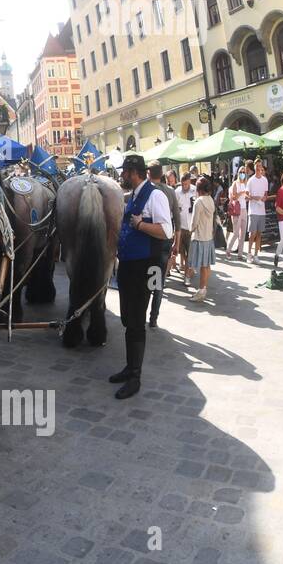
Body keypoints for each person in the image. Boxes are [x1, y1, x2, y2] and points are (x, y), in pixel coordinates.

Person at [112, 155, 174, 400]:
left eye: (124, 172)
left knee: (137, 319)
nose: (122, 176)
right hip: (129, 265)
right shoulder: (136, 194)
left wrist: (139, 226)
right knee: (127, 317)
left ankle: (135, 376)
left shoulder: (155, 194)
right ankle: (129, 367)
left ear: (133, 172)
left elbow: (166, 230)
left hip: (146, 266)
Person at [148, 163, 177, 326]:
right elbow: (177, 222)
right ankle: (153, 318)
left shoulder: (148, 191)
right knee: (158, 283)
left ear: (148, 174)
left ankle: (145, 315)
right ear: (162, 174)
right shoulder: (171, 191)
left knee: (148, 280)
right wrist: (176, 244)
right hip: (166, 242)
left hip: (151, 242)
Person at [189, 176, 217, 302]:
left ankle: (202, 290)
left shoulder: (198, 202)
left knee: (202, 266)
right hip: (208, 237)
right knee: (206, 266)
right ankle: (203, 288)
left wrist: (190, 230)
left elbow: (194, 223)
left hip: (200, 237)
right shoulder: (211, 200)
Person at [245, 158, 270, 264]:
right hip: (253, 211)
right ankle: (249, 254)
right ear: (254, 167)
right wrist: (253, 197)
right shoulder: (251, 180)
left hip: (261, 211)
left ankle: (256, 255)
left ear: (262, 167)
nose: (258, 167)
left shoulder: (265, 180)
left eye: (260, 166)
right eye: (257, 166)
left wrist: (264, 198)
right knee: (252, 234)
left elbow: (266, 195)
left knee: (259, 234)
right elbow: (246, 195)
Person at [174, 173, 196, 281]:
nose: (184, 187)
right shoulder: (177, 191)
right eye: (183, 184)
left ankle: (187, 276)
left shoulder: (195, 190)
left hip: (191, 227)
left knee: (190, 253)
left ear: (190, 182)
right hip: (180, 226)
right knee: (182, 251)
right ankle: (186, 269)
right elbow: (175, 208)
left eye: (186, 184)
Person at [227, 167, 250, 257]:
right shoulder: (235, 183)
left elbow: (246, 197)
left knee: (243, 233)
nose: (242, 174)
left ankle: (240, 254)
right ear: (238, 173)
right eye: (241, 172)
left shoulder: (246, 183)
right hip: (237, 210)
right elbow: (234, 197)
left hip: (244, 209)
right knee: (236, 233)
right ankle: (228, 249)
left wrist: (248, 197)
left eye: (244, 172)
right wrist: (241, 193)